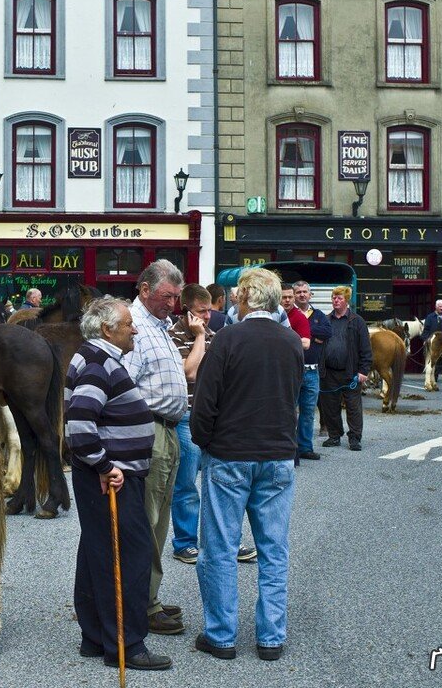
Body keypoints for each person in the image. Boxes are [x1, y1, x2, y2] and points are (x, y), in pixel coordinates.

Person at [189, 267, 303, 662]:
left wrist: (204, 441)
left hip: (230, 452)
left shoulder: (228, 340)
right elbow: (294, 397)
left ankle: (221, 635)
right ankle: (271, 636)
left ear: (243, 299)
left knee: (219, 547)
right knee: (274, 549)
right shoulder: (291, 341)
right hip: (276, 453)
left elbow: (205, 403)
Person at [65, 296, 172, 671]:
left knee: (98, 550)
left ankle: (95, 637)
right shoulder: (99, 363)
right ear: (108, 329)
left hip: (107, 475)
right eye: (129, 324)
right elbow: (79, 422)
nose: (135, 329)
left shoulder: (93, 356)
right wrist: (103, 465)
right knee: (130, 556)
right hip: (112, 479)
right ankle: (127, 646)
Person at [167, 284, 259, 567]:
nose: (207, 317)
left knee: (222, 482)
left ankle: (226, 540)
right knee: (186, 484)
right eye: (201, 312)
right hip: (186, 414)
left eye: (209, 311)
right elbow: (190, 373)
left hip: (217, 417)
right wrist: (198, 338)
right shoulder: (172, 337)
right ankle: (185, 543)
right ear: (187, 311)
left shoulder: (217, 337)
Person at [122, 260, 190, 637]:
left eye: (178, 297)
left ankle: (148, 598)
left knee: (158, 521)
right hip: (150, 431)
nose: (174, 304)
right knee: (147, 523)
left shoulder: (156, 325)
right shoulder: (133, 327)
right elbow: (124, 387)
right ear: (145, 290)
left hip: (165, 429)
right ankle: (142, 605)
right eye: (168, 296)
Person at [318, 286, 372, 451]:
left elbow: (365, 348)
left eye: (339, 298)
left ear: (346, 300)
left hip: (351, 373)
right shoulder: (326, 320)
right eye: (334, 297)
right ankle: (334, 436)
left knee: (353, 407)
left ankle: (355, 438)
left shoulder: (357, 321)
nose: (335, 300)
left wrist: (363, 370)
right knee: (330, 406)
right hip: (329, 372)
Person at [292, 281, 332, 463]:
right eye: (298, 292)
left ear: (310, 295)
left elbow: (327, 332)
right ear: (293, 295)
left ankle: (305, 448)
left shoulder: (318, 315)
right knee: (290, 411)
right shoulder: (288, 315)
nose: (302, 295)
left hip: (311, 371)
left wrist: (305, 331)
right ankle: (290, 448)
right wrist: (313, 337)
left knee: (308, 412)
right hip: (292, 371)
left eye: (305, 292)